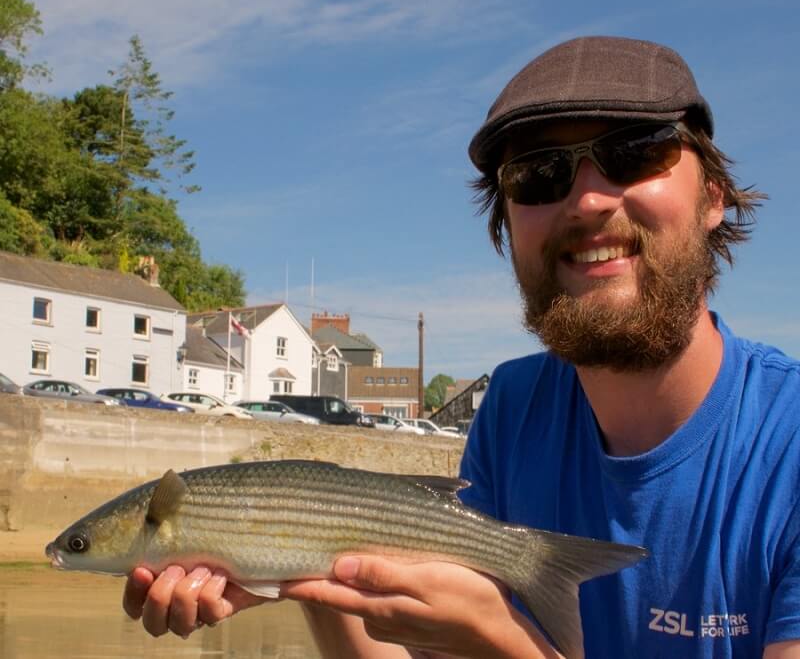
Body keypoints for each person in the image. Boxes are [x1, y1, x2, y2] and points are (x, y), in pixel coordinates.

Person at [122, 36, 800, 658]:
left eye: (635, 151)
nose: (589, 199)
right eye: (538, 174)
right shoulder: (511, 409)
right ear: (506, 229)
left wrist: (504, 642)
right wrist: (303, 564)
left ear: (713, 196)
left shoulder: (787, 447)